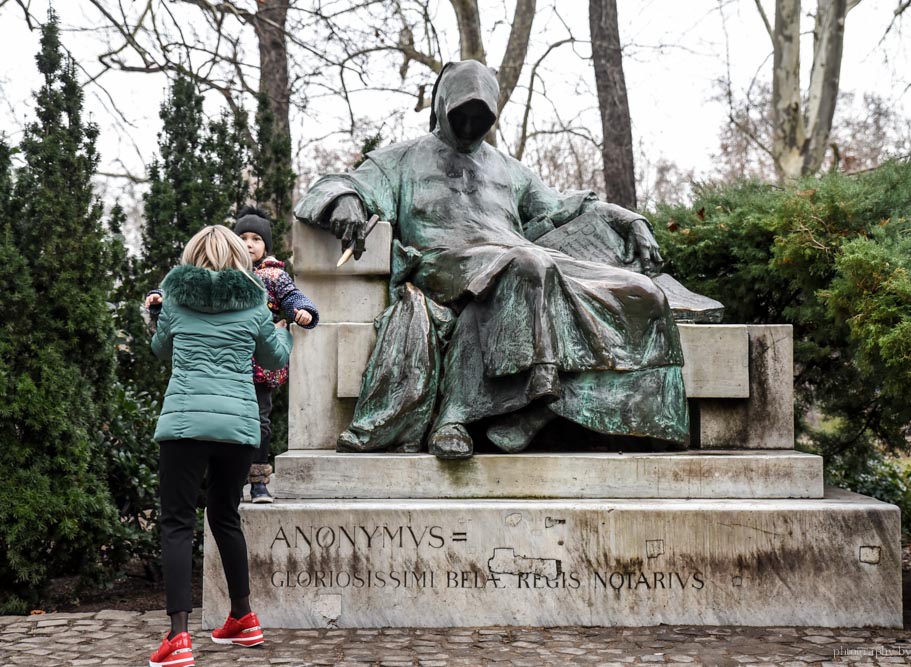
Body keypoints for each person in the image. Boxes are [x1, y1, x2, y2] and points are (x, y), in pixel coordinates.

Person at [294, 60, 687, 459]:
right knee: (528, 265)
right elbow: (337, 184)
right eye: (460, 115)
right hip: (442, 263)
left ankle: (544, 411)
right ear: (441, 106)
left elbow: (566, 205)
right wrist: (343, 201)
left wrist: (630, 219)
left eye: (478, 118)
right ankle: (519, 394)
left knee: (645, 293)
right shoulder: (399, 160)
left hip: (518, 259)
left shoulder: (509, 169)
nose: (468, 126)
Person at [145, 225, 292, 667]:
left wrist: (156, 318)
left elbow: (160, 349)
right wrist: (283, 330)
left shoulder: (176, 302)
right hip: (238, 428)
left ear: (192, 256)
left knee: (175, 523)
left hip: (185, 425)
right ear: (238, 257)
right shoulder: (254, 306)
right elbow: (275, 359)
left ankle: (178, 638)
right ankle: (243, 618)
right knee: (226, 516)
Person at [233, 206, 320, 503]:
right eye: (242, 237)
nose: (248, 244)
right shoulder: (223, 274)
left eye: (255, 238)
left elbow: (293, 296)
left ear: (265, 245)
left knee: (260, 421)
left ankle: (258, 482)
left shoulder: (274, 276)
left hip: (260, 365)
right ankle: (231, 479)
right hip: (228, 363)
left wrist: (302, 311)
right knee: (230, 422)